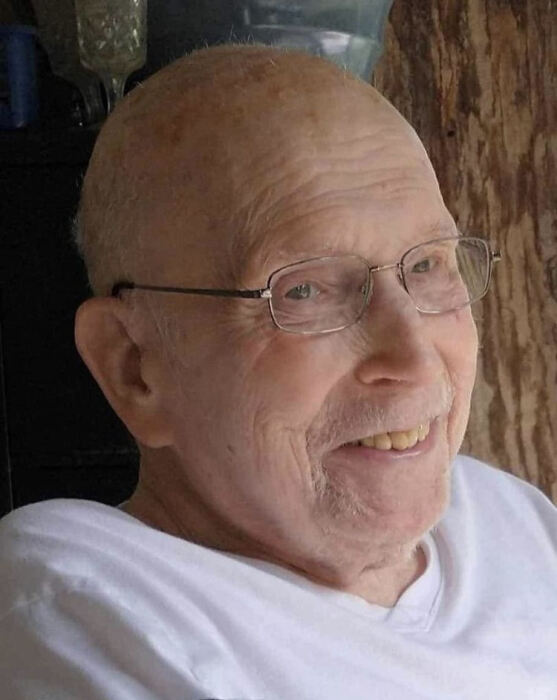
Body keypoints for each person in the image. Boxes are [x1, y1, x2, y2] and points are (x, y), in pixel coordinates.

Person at [0, 44, 556, 700]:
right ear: (135, 368)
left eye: (429, 264)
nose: (414, 358)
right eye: (305, 290)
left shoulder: (508, 518)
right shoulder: (79, 603)